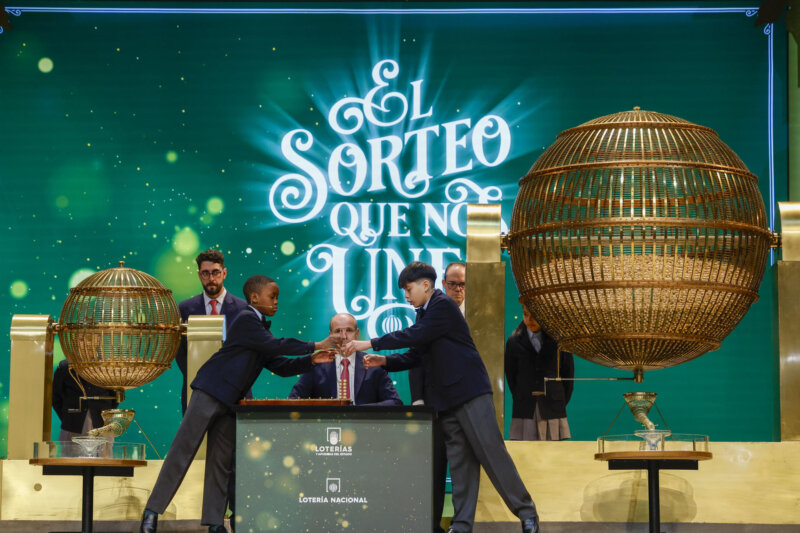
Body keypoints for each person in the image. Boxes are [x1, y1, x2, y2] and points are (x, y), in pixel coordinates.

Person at [345, 262, 540, 533]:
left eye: (408, 289)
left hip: (469, 393)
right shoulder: (424, 315)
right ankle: (461, 526)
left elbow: (415, 335)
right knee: (461, 465)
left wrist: (371, 343)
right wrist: (385, 361)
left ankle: (527, 512)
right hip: (446, 402)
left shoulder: (442, 305)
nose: (406, 295)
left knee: (492, 453)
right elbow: (417, 355)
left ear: (426, 285)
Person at [140, 275, 337, 533]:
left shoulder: (261, 330)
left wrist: (312, 360)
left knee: (221, 462)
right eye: (272, 296)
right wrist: (315, 344)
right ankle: (152, 511)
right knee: (183, 451)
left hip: (231, 402)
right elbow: (275, 346)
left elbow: (280, 366)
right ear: (254, 297)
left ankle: (214, 523)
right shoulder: (246, 318)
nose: (276, 302)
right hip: (210, 391)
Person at [407, 261, 464, 533]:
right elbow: (416, 357)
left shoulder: (481, 315)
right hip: (435, 405)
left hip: (465, 403)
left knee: (464, 469)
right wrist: (418, 400)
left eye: (462, 284)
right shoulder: (426, 313)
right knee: (435, 467)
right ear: (442, 284)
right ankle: (432, 525)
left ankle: (462, 524)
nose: (458, 289)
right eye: (452, 283)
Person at [176, 249, 249, 414]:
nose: (211, 278)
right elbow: (180, 352)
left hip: (235, 392)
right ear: (199, 275)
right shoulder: (186, 308)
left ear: (224, 273)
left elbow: (248, 352)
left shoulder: (243, 309)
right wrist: (201, 378)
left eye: (215, 272)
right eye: (205, 273)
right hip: (196, 391)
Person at [289, 313, 402, 406]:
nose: (343, 336)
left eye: (349, 330)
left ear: (357, 334)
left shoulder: (373, 363)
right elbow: (293, 400)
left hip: (363, 424)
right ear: (330, 335)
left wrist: (358, 413)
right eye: (338, 331)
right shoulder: (316, 364)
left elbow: (395, 402)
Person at [505, 305, 574, 441]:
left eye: (534, 315)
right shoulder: (513, 340)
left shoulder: (559, 339)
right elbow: (511, 375)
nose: (529, 319)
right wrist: (522, 394)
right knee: (526, 451)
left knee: (554, 451)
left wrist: (558, 399)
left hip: (553, 405)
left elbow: (568, 374)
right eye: (526, 314)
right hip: (525, 407)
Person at [52, 359, 118, 441]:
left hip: (103, 425)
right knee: (71, 450)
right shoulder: (64, 368)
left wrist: (106, 416)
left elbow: (116, 397)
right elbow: (56, 398)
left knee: (103, 449)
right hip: (72, 426)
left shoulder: (108, 367)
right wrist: (68, 419)